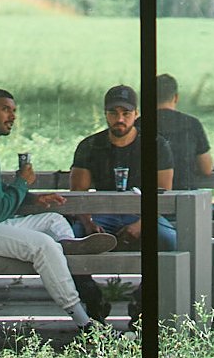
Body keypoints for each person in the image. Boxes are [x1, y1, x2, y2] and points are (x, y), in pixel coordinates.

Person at [0, 89, 116, 332]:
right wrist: (22, 182)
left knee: (52, 220)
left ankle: (68, 245)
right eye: (5, 109)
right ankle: (85, 323)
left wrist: (31, 197)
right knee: (43, 246)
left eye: (14, 110)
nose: (13, 116)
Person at [69, 85, 177, 251]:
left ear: (136, 114)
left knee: (169, 239)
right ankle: (83, 278)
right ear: (105, 114)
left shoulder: (156, 144)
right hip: (102, 214)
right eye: (113, 113)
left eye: (126, 113)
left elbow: (163, 192)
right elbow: (78, 193)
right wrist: (88, 223)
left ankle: (157, 278)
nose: (120, 119)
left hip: (143, 214)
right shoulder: (90, 145)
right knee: (73, 237)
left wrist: (140, 226)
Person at [155, 74, 212, 191]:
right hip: (186, 196)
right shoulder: (192, 123)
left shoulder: (138, 125)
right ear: (176, 97)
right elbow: (206, 168)